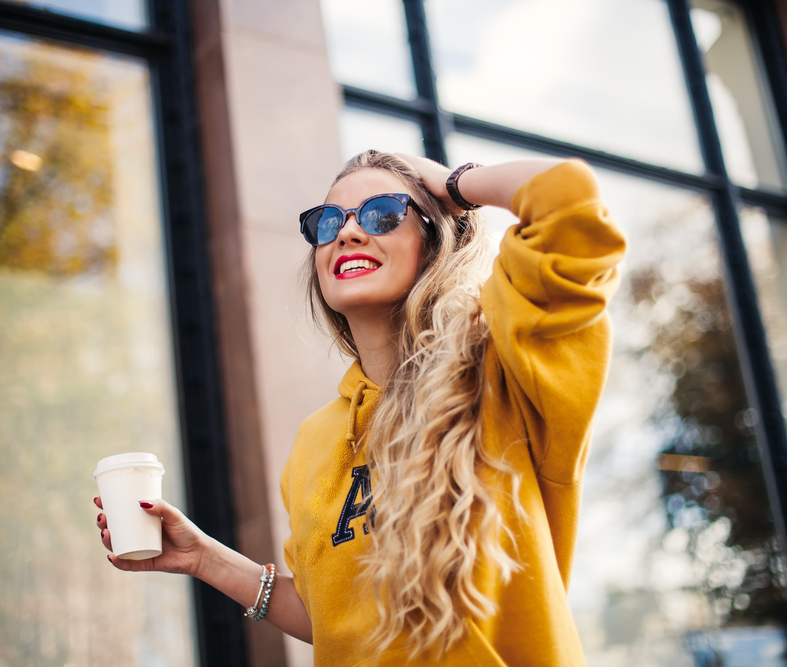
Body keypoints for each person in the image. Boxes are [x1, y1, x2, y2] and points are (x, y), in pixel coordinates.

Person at [95, 150, 626, 666]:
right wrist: (205, 558)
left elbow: (567, 198)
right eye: (328, 222)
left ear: (435, 238)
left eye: (383, 214)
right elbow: (329, 619)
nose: (348, 232)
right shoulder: (314, 443)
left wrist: (450, 184)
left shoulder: (508, 367)